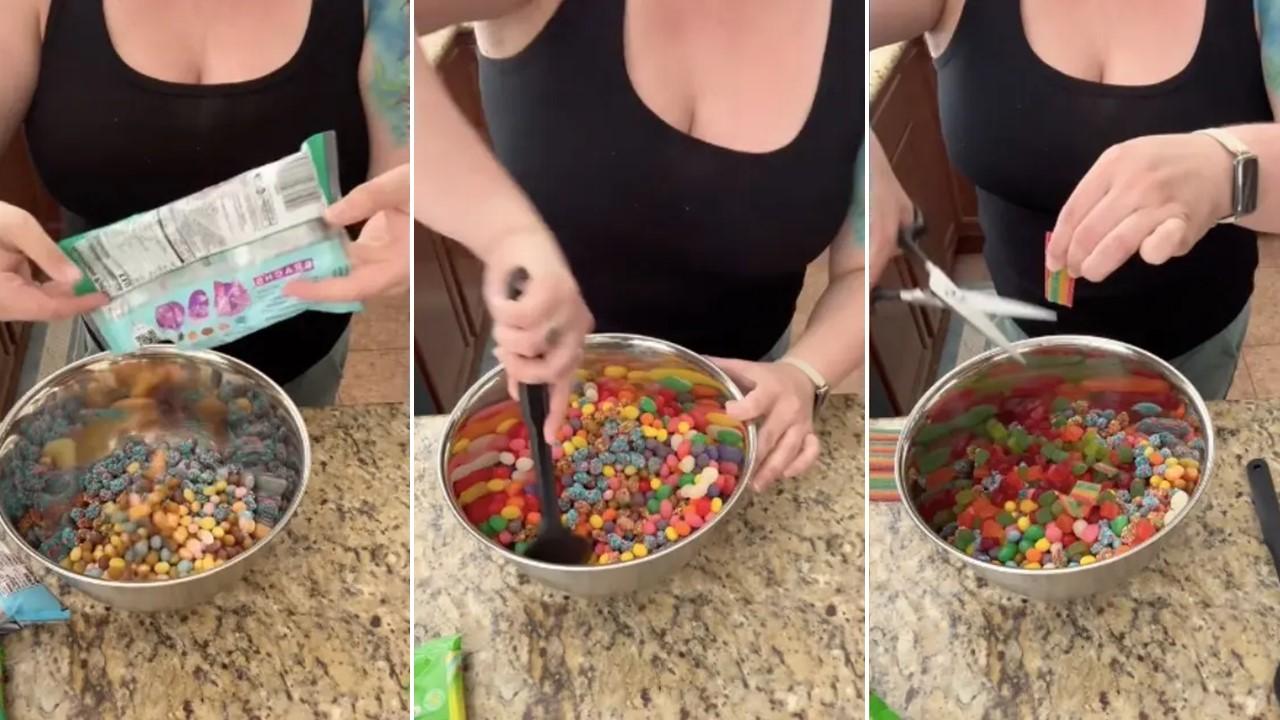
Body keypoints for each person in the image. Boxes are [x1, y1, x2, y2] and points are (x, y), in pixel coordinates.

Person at [414, 0, 862, 489]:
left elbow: (864, 271)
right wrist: (505, 233)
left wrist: (805, 372)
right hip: (552, 380)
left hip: (743, 397)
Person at [0, 0, 411, 406]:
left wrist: (412, 213)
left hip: (301, 362)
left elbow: (405, 165)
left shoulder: (387, 10)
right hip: (113, 353)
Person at [870, 0, 1280, 400]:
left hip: (1197, 342)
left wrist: (1227, 167)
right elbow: (817, 27)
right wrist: (858, 151)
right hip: (1025, 332)